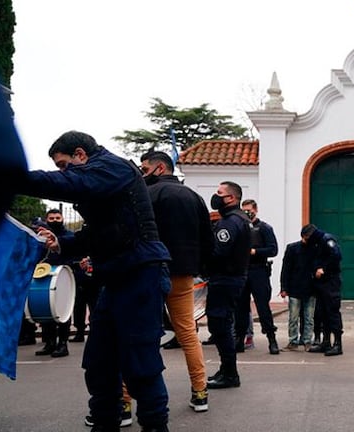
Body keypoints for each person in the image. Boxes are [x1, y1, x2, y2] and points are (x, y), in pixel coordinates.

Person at [20, 131, 171, 432]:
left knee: (141, 365)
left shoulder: (112, 167)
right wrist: (59, 243)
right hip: (114, 278)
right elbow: (96, 234)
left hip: (141, 274)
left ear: (80, 154)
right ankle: (104, 423)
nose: (63, 172)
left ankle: (155, 427)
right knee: (99, 365)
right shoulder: (101, 181)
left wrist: (12, 176)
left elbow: (70, 183)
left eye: (64, 165)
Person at [140, 151, 214, 411]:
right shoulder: (194, 197)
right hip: (183, 274)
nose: (142, 173)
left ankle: (125, 401)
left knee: (140, 334)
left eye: (144, 168)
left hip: (150, 272)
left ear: (160, 168)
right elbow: (207, 238)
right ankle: (200, 391)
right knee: (188, 333)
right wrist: (201, 269)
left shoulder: (147, 195)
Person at [205, 181, 252, 389]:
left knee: (220, 325)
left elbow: (219, 252)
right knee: (221, 324)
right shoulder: (237, 219)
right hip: (231, 278)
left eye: (219, 193)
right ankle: (226, 369)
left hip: (225, 279)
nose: (216, 197)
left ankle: (230, 373)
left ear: (231, 198)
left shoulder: (231, 222)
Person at [234, 199, 279, 355]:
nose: (247, 213)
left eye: (249, 210)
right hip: (243, 271)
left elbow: (273, 250)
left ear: (255, 210)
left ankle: (272, 340)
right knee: (240, 308)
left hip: (258, 271)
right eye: (244, 210)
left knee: (263, 308)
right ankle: (239, 339)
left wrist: (255, 252)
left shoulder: (264, 228)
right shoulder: (240, 228)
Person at [34, 209, 75, 358]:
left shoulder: (68, 236)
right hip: (45, 276)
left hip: (63, 277)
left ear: (62, 218)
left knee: (62, 310)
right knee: (46, 309)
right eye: (51, 218)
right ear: (47, 219)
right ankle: (50, 343)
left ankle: (62, 344)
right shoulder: (43, 236)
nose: (55, 220)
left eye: (58, 217)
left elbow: (73, 252)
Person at [302, 224, 344, 356]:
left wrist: (323, 269)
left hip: (330, 281)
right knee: (321, 313)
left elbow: (336, 255)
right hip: (319, 283)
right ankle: (325, 342)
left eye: (305, 238)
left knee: (332, 312)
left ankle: (337, 344)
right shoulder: (315, 243)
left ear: (310, 235)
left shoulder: (326, 239)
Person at [279, 238, 315, 351]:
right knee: (294, 318)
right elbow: (286, 269)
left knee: (308, 318)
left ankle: (307, 340)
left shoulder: (315, 249)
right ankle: (294, 341)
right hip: (296, 288)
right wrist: (284, 287)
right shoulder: (293, 249)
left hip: (310, 289)